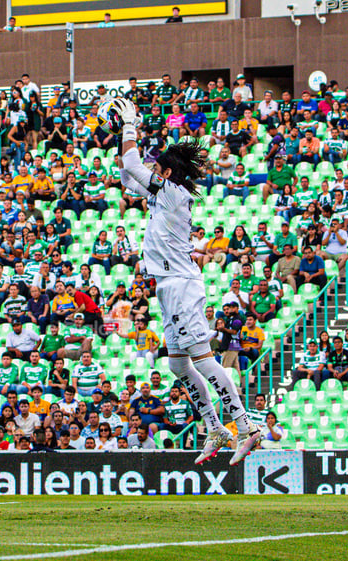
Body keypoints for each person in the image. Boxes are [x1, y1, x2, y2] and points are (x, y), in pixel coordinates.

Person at [110, 97, 259, 465]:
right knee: (177, 364)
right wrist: (121, 133)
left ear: (169, 174)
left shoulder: (172, 193)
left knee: (203, 359)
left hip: (180, 285)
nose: (154, 172)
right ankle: (215, 426)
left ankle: (246, 425)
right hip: (168, 286)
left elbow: (131, 163)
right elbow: (127, 173)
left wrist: (130, 124)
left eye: (158, 168)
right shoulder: (164, 195)